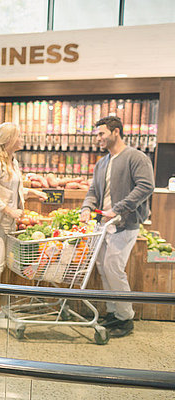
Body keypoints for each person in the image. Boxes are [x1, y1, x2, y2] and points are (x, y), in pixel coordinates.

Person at [80, 116, 154, 338]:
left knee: (113, 266)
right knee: (103, 266)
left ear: (116, 132)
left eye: (102, 134)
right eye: (97, 135)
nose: (98, 139)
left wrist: (119, 208)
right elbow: (94, 190)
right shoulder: (102, 163)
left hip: (126, 224)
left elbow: (146, 186)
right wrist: (86, 207)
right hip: (104, 224)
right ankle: (113, 312)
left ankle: (125, 318)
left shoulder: (136, 157)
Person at [0, 122, 47, 337]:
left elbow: (11, 190)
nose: (22, 139)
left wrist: (33, 194)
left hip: (9, 226)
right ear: (9, 139)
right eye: (19, 136)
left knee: (0, 268)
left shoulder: (12, 161)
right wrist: (8, 211)